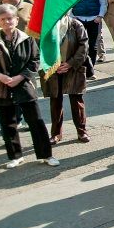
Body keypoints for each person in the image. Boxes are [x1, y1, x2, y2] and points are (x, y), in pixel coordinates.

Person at [0, 4, 58, 168]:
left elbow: (35, 61)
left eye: (10, 18)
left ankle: (46, 155)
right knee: (7, 124)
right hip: (2, 88)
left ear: (16, 19)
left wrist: (20, 77)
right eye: (3, 19)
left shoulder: (28, 39)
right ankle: (15, 156)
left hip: (24, 86)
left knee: (36, 121)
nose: (7, 22)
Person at [43, 15, 90, 145]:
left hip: (73, 68)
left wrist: (70, 63)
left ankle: (82, 131)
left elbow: (84, 46)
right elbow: (41, 45)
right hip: (53, 69)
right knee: (55, 101)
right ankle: (56, 134)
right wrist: (51, 64)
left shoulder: (75, 25)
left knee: (77, 101)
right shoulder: (47, 25)